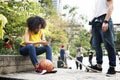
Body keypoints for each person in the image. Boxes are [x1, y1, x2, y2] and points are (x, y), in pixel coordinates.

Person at [90, 0, 116, 75]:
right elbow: (96, 12)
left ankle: (112, 66)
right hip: (95, 21)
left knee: (109, 44)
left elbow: (111, 6)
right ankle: (99, 65)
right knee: (96, 45)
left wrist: (106, 21)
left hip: (104, 19)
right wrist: (92, 25)